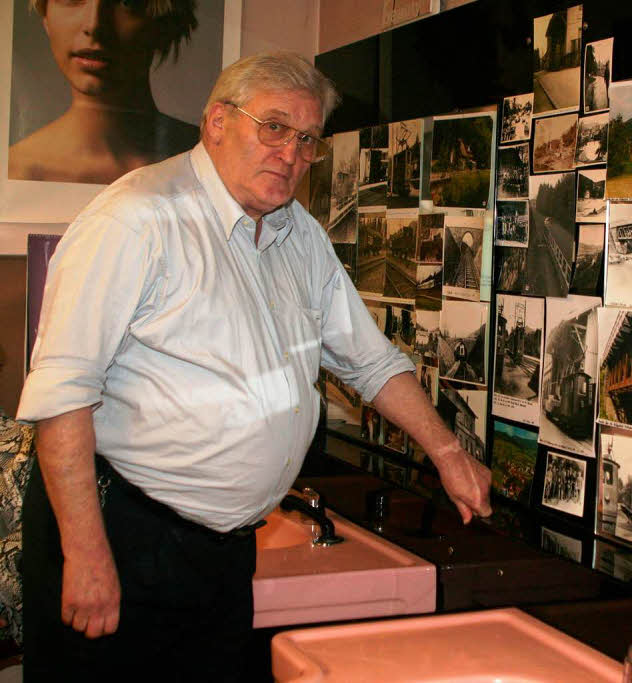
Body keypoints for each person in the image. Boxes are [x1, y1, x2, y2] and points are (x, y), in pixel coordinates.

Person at [15, 51, 492, 681]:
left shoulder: (302, 235)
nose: (290, 153)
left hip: (223, 552)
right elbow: (62, 398)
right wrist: (86, 553)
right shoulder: (135, 219)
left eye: (306, 139)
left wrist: (448, 454)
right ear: (216, 123)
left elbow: (371, 361)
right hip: (120, 531)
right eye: (273, 127)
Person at [9, 0, 201, 184]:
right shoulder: (15, 170)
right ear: (46, 18)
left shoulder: (209, 158)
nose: (94, 25)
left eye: (128, 2)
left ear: (165, 25)